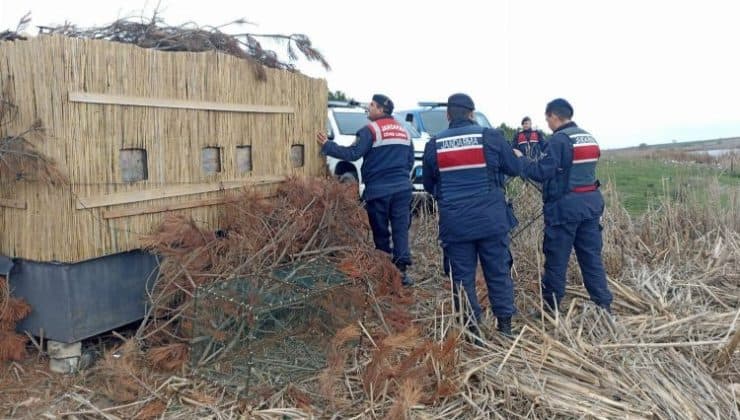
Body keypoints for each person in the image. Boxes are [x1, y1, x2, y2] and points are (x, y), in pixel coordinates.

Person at [422, 93, 525, 337]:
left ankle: (472, 331)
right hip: (491, 220)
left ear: (448, 115)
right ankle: (505, 327)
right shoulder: (490, 137)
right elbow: (514, 168)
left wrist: (447, 195)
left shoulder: (434, 144)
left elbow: (428, 185)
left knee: (462, 278)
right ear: (472, 113)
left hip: (456, 224)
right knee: (498, 271)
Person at [515, 98, 613, 314]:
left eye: (547, 119)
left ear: (553, 116)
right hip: (591, 206)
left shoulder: (559, 140)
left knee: (556, 260)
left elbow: (542, 172)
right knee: (591, 258)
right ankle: (604, 305)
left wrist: (521, 161)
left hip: (565, 210)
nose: (547, 124)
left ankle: (550, 309)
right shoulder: (588, 137)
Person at [317, 94, 415, 286]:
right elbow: (410, 160)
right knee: (400, 229)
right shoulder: (405, 132)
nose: (368, 108)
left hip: (379, 190)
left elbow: (353, 154)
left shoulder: (370, 130)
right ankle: (402, 273)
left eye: (371, 105)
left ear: (380, 109)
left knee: (380, 231)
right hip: (403, 189)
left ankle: (385, 270)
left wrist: (328, 146)